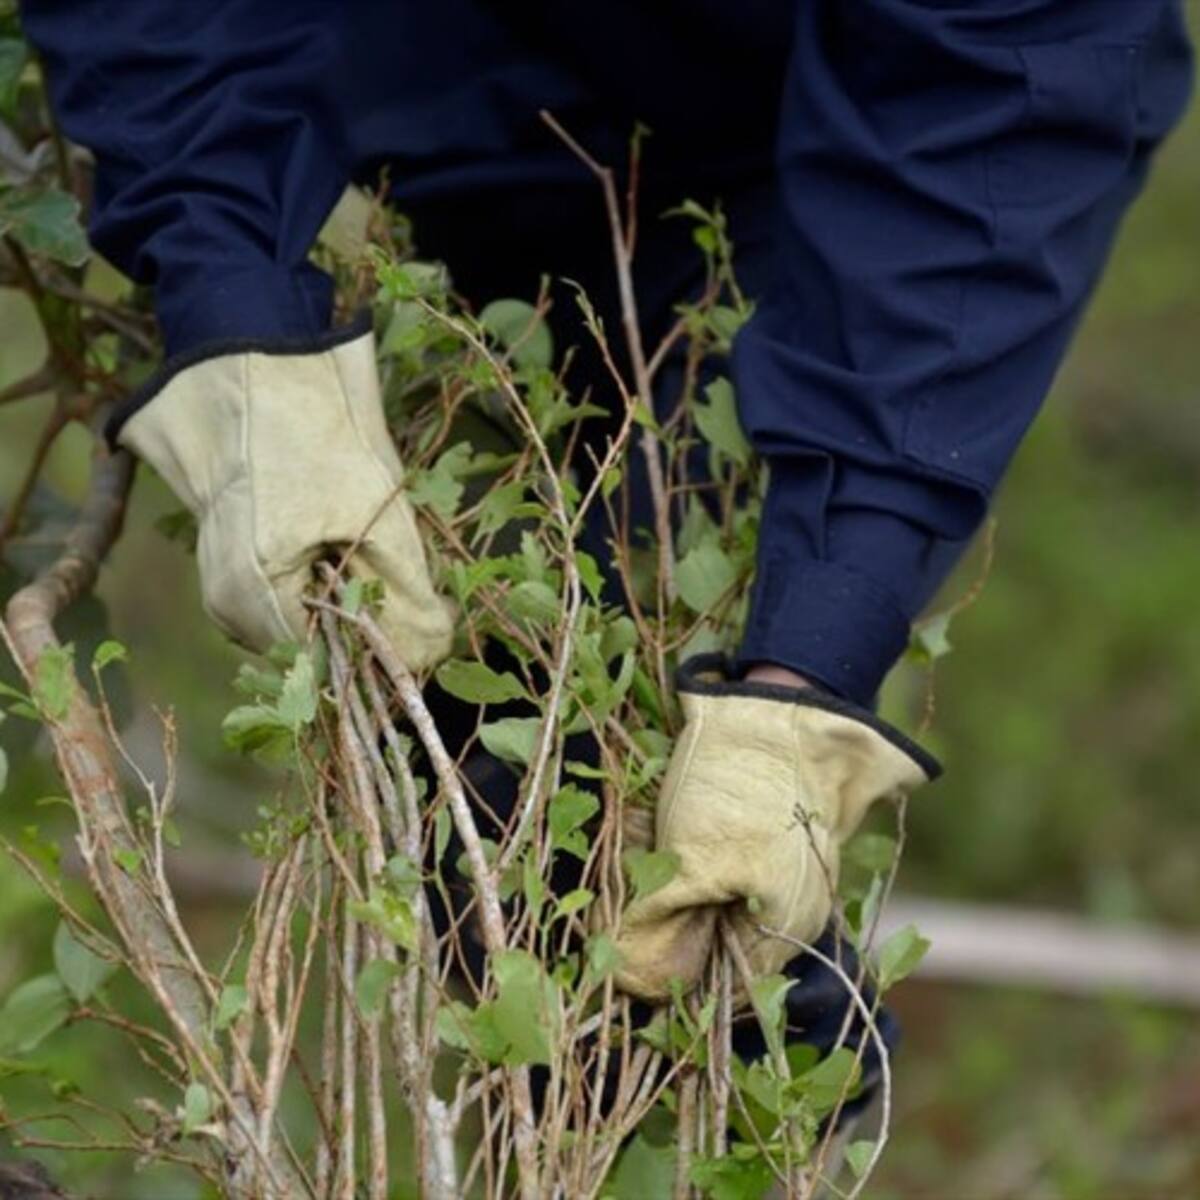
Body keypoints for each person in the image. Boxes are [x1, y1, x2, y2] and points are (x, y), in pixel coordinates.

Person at [22, 2, 1193, 1006]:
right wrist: (233, 303)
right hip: (399, 89)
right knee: (480, 800)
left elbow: (1002, 96)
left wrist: (805, 671)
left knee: (681, 859)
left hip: (823, 140)